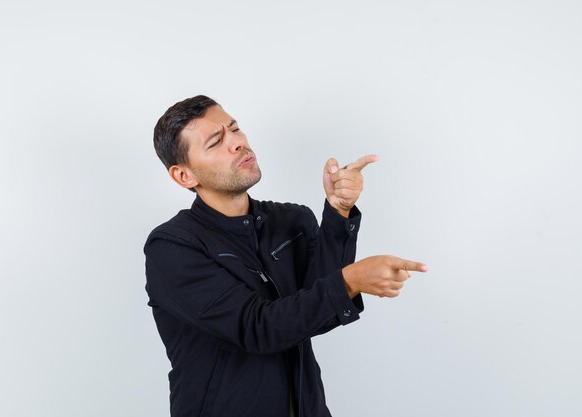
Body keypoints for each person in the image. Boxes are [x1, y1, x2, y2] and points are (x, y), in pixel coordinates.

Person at [144, 95, 428, 417]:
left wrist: (338, 211)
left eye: (235, 129)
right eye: (216, 142)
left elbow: (319, 311)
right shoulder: (172, 246)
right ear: (184, 176)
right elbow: (256, 328)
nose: (236, 143)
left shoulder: (291, 221)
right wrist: (352, 279)